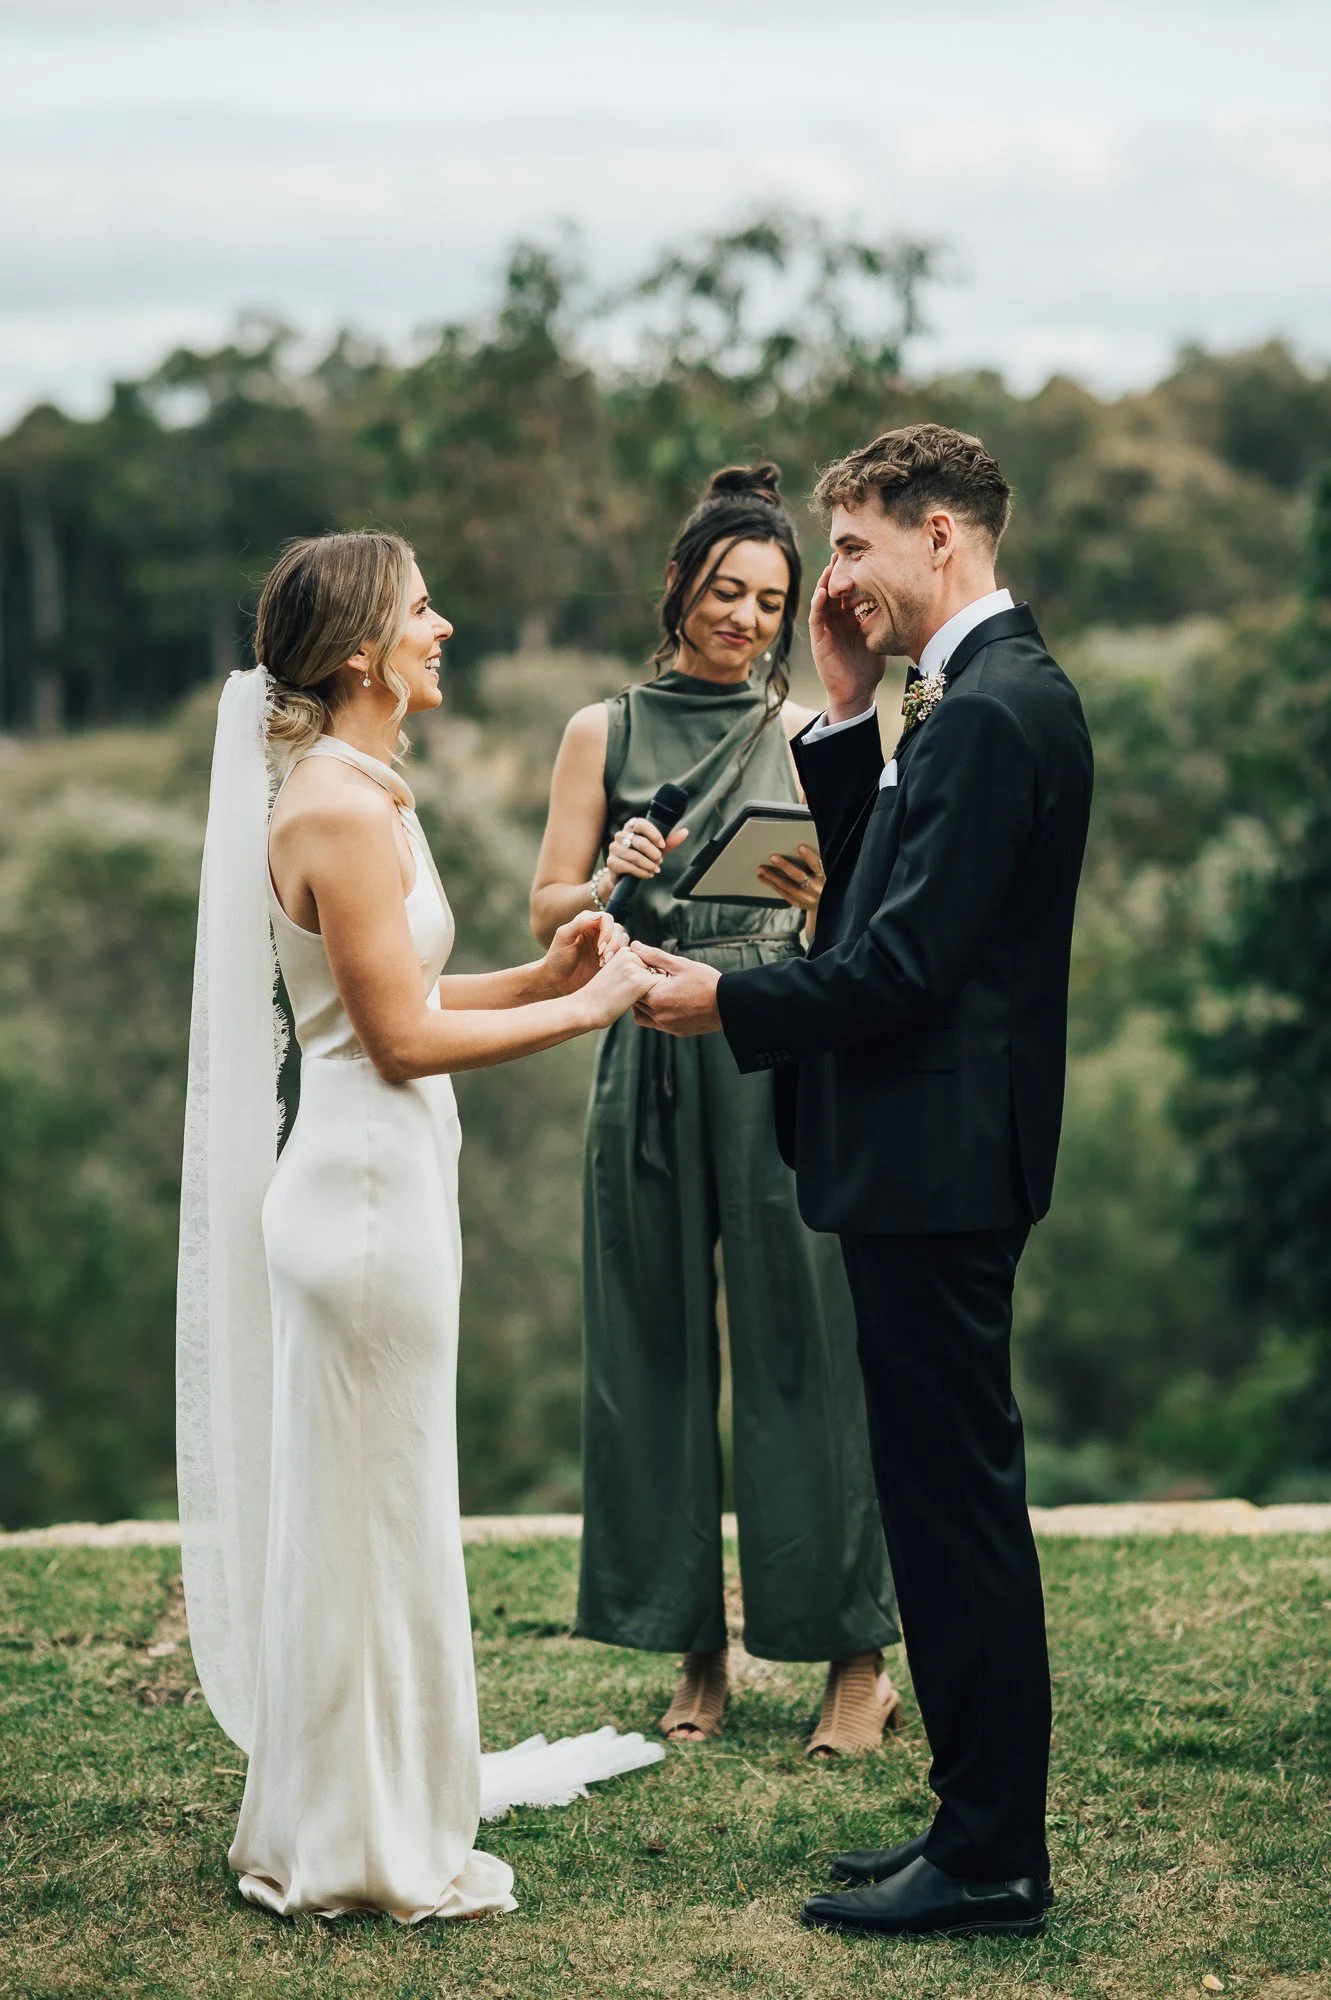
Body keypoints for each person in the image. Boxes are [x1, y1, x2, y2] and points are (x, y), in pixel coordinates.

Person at [633, 424, 1094, 1939]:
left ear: (939, 536)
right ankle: (970, 1822)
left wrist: (725, 1006)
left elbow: (893, 965)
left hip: (938, 1165)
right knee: (937, 1493)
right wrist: (841, 720)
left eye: (851, 547)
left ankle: (991, 1860)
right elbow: (875, 889)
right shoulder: (956, 704)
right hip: (930, 1162)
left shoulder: (991, 713)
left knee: (953, 1505)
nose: (831, 577)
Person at [176, 531, 664, 1923]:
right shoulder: (331, 806)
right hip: (362, 1197)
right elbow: (391, 1039)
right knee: (369, 1515)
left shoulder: (368, 795)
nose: (442, 627)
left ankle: (372, 1799)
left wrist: (547, 963)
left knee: (385, 1509)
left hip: (389, 1181)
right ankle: (356, 1836)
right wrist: (587, 1012)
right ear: (356, 655)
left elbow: (407, 991)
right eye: (420, 611)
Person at [530, 464, 899, 1754]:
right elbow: (545, 916)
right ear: (680, 584)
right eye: (726, 590)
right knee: (653, 1342)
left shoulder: (810, 733)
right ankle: (696, 1650)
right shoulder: (602, 729)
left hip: (767, 1042)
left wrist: (798, 903)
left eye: (771, 599)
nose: (744, 617)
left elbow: (850, 913)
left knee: (806, 1342)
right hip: (644, 1044)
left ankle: (857, 1656)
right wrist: (609, 875)